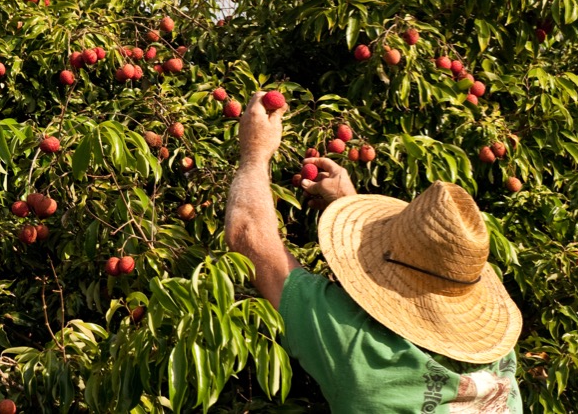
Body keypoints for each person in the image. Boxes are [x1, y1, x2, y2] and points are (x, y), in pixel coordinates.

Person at [224, 92, 523, 413]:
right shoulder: (497, 355)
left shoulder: (361, 355)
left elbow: (248, 234)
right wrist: (345, 203)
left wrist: (255, 152)